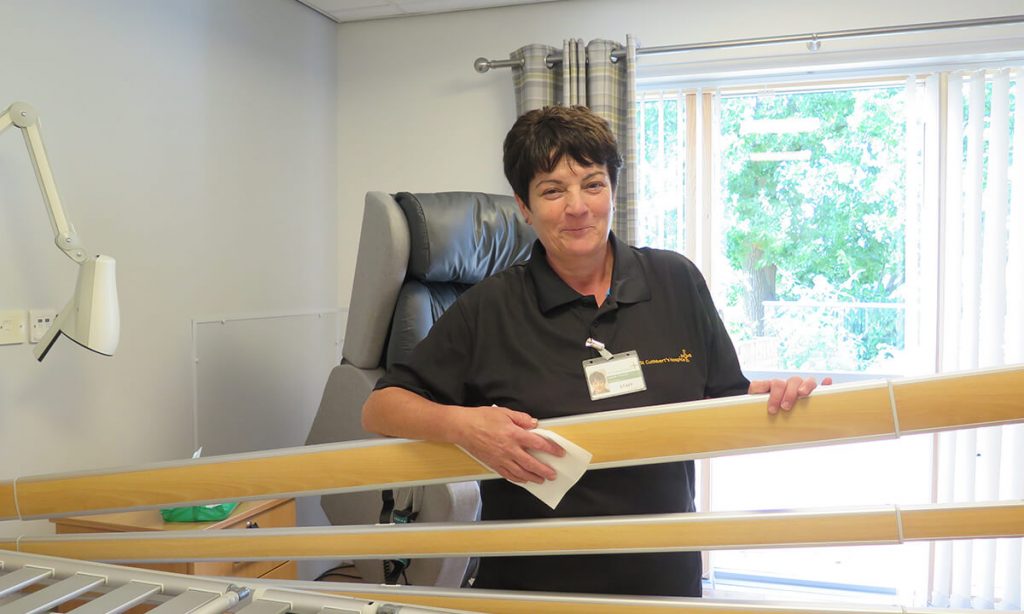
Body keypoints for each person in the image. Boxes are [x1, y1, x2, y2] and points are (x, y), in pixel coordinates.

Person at [362, 105, 829, 597]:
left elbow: (721, 398)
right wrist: (467, 426)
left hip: (662, 578)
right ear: (524, 206)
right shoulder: (490, 307)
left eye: (592, 183)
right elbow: (381, 407)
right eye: (552, 190)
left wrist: (773, 395)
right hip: (536, 586)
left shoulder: (675, 281)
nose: (577, 206)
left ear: (613, 189)